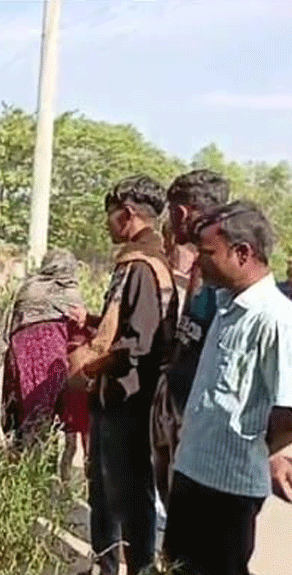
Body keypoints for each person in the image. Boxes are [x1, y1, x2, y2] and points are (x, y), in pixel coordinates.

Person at [163, 202, 292, 575]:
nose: (197, 263)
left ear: (242, 253)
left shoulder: (275, 319)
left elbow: (287, 411)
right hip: (192, 472)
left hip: (228, 490)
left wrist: (254, 451)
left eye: (206, 253)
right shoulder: (226, 305)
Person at [68, 175, 177, 575]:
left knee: (126, 494)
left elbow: (137, 345)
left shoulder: (142, 266)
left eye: (111, 216)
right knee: (109, 489)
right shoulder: (143, 260)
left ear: (126, 214)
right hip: (117, 396)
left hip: (126, 398)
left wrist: (90, 364)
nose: (107, 225)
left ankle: (131, 567)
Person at [150, 169, 230, 510]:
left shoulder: (226, 265)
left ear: (181, 212)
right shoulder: (203, 262)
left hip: (201, 427)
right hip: (180, 410)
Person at [0, 249, 89, 471]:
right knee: (48, 411)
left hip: (20, 353)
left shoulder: (29, 287)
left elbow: (13, 321)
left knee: (25, 408)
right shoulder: (70, 293)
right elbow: (78, 330)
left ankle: (22, 467)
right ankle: (41, 471)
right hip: (52, 357)